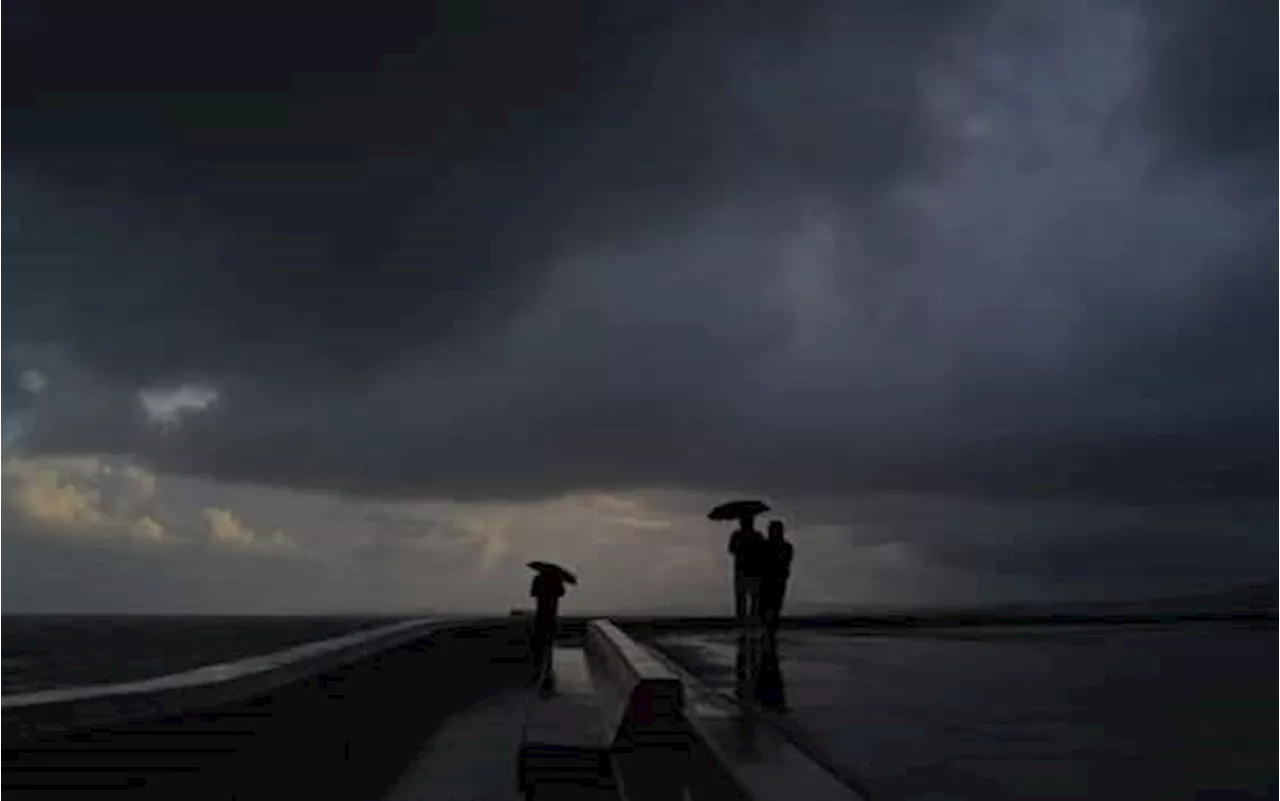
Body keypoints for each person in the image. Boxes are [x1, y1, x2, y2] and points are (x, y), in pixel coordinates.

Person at [530, 569, 567, 684]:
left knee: (542, 636)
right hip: (549, 612)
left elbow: (532, 593)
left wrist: (543, 590)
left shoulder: (539, 578)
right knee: (547, 637)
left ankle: (541, 663)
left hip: (543, 612)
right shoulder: (556, 578)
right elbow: (561, 593)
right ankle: (545, 663)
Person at [728, 515, 765, 626]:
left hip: (751, 570)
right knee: (744, 597)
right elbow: (731, 549)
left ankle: (749, 619)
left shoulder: (754, 536)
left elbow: (731, 549)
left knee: (751, 597)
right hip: (746, 570)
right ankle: (744, 619)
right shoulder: (740, 535)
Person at [759, 520, 794, 634]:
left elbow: (786, 560)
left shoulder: (784, 546)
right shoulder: (766, 546)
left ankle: (771, 626)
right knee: (767, 604)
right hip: (769, 578)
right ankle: (768, 625)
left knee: (775, 604)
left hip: (776, 578)